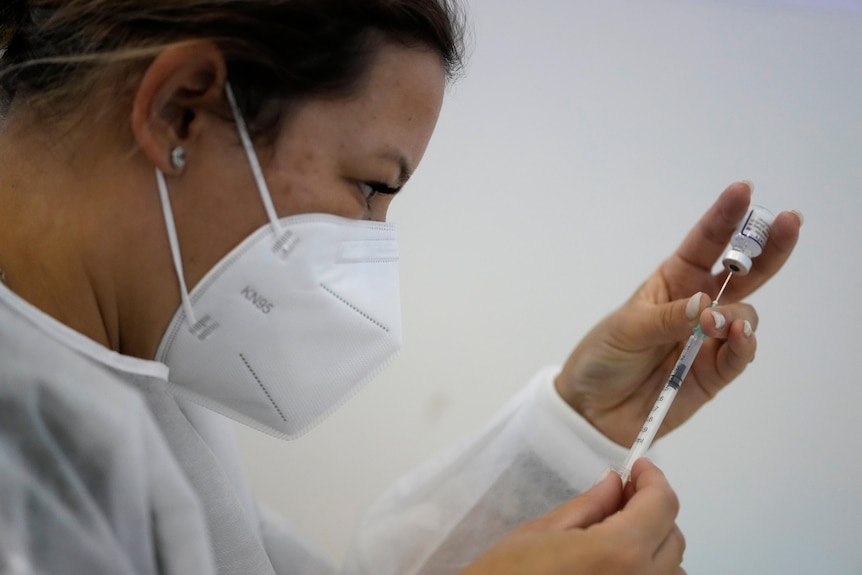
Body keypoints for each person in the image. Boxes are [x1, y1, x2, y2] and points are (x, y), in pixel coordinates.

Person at [0, 1, 801, 574]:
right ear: (181, 111)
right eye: (370, 186)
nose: (372, 237)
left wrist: (583, 422)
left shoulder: (127, 380)